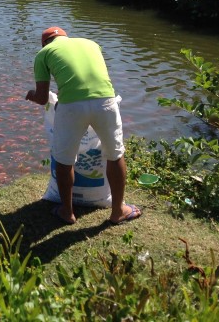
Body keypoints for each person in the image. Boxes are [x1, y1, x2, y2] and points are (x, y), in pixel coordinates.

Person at [25, 26, 141, 226]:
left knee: (64, 160)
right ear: (65, 37)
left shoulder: (43, 54)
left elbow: (43, 98)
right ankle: (118, 211)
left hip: (71, 107)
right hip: (106, 101)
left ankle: (67, 212)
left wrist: (31, 95)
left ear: (45, 43)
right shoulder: (91, 44)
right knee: (115, 155)